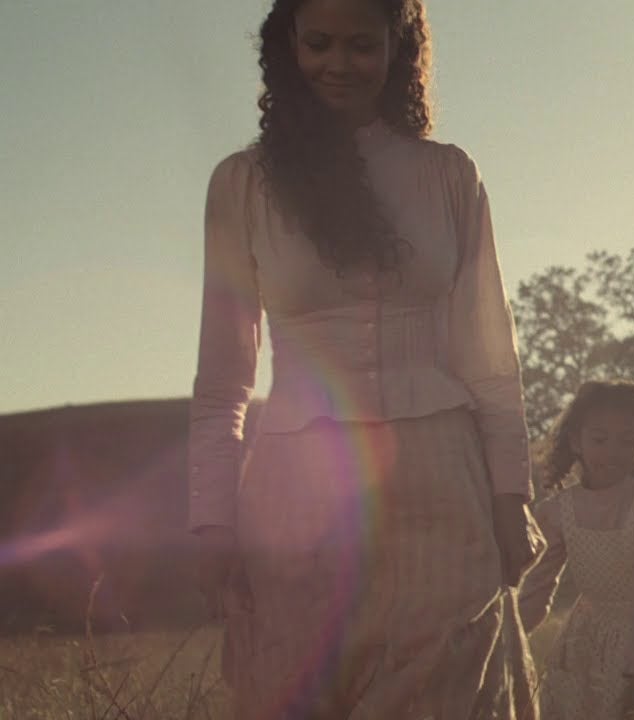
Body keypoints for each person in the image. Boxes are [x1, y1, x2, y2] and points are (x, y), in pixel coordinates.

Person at [187, 0, 543, 717]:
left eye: (360, 45)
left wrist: (512, 495)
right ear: (288, 47)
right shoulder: (242, 183)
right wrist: (211, 518)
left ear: (397, 47)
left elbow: (489, 357)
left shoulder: (448, 175)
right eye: (318, 43)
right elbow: (224, 378)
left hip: (441, 479)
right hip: (298, 489)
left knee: (447, 692)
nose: (337, 64)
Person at [519, 381, 634, 720]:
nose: (613, 453)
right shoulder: (558, 512)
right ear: (576, 441)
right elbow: (535, 586)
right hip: (590, 630)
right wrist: (510, 641)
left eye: (627, 441)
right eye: (600, 440)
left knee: (633, 711)